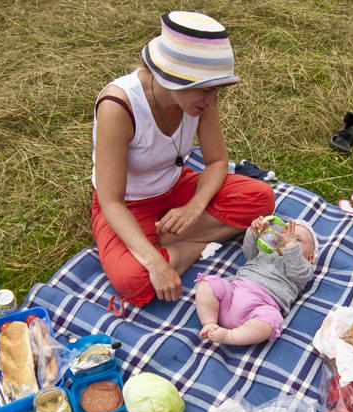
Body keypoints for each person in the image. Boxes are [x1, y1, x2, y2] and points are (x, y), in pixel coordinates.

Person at [91, 10, 276, 307]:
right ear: (173, 79)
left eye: (216, 90)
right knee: (135, 280)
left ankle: (168, 240)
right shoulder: (118, 106)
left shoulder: (201, 99)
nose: (212, 101)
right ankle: (188, 242)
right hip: (128, 205)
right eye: (206, 91)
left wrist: (193, 208)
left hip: (177, 190)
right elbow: (111, 201)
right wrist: (155, 263)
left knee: (262, 198)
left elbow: (216, 162)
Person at [195, 216, 318, 345]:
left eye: (297, 239)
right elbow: (249, 254)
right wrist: (253, 232)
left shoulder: (304, 269)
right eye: (285, 235)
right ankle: (209, 322)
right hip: (232, 294)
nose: (287, 239)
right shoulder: (267, 253)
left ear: (310, 258)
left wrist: (291, 246)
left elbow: (297, 270)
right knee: (208, 283)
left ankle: (230, 336)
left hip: (260, 308)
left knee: (273, 320)